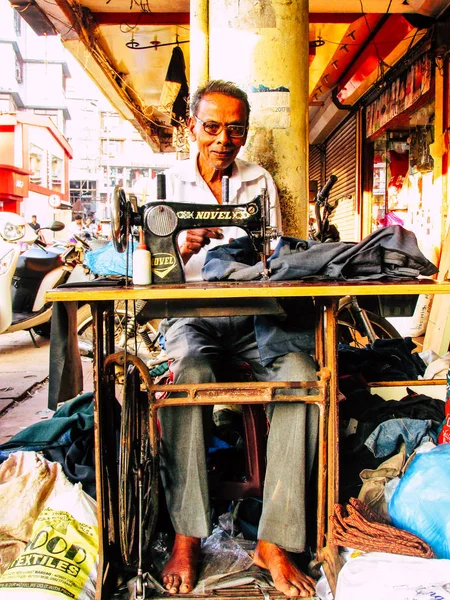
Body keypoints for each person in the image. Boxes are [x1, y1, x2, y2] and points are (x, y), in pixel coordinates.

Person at [158, 80, 318, 599]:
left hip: (252, 317)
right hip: (190, 315)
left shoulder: (259, 181)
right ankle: (186, 534)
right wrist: (179, 247)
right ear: (192, 127)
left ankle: (275, 539)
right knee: (189, 379)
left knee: (301, 377)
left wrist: (261, 262)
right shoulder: (166, 182)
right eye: (212, 127)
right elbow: (147, 270)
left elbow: (272, 255)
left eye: (235, 129)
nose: (223, 139)